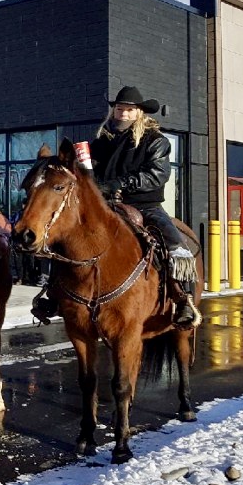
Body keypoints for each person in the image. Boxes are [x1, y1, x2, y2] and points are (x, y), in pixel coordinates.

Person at [90, 86, 199, 328]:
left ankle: (183, 300)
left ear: (139, 113)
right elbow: (92, 169)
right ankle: (53, 291)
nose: (123, 114)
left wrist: (122, 183)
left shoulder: (155, 140)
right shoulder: (101, 140)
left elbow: (157, 174)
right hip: (106, 204)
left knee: (176, 247)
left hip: (145, 205)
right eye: (120, 109)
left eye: (129, 110)